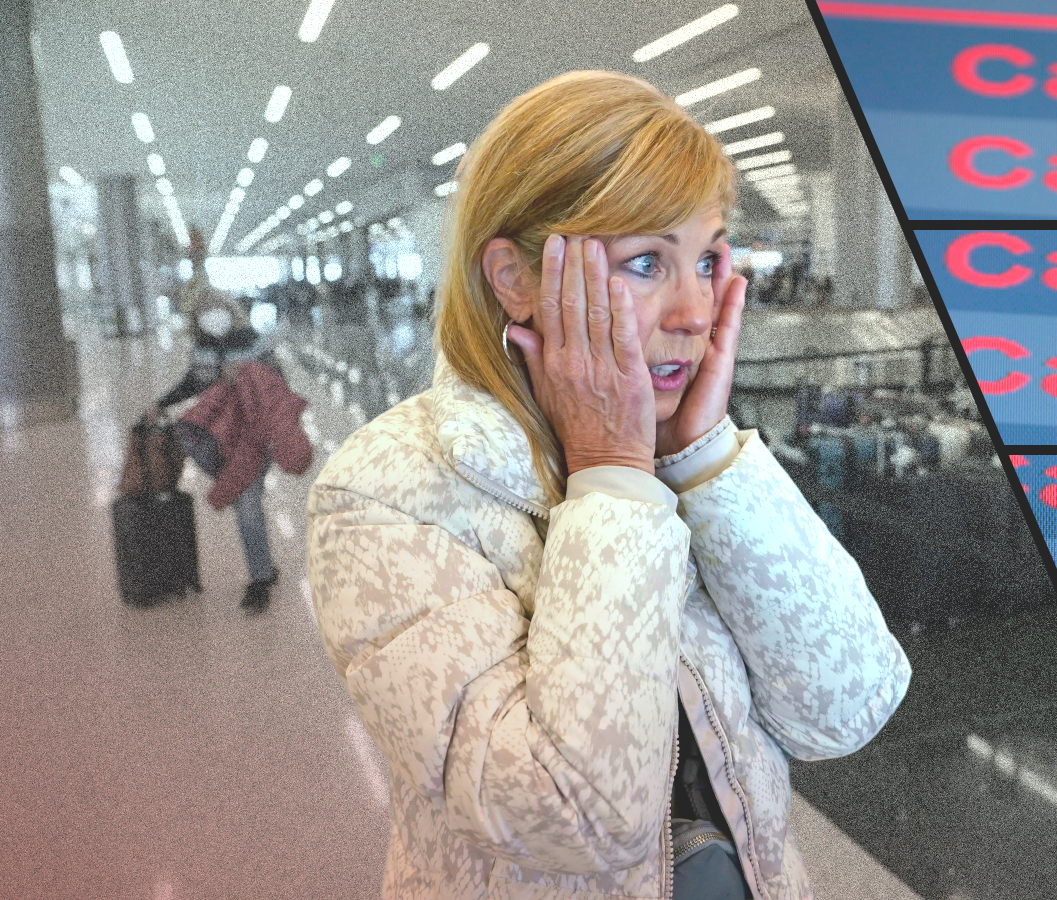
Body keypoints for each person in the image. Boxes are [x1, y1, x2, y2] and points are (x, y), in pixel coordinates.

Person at [306, 71, 911, 900]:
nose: (695, 311)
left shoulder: (690, 449)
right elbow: (576, 820)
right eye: (644, 263)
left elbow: (849, 707)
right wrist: (611, 479)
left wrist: (703, 459)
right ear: (514, 278)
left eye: (704, 259)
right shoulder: (386, 491)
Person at [149, 291, 285, 611]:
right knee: (181, 435)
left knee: (247, 505)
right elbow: (192, 383)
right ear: (197, 319)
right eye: (204, 310)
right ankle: (237, 490)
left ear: (230, 309)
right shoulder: (201, 348)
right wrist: (161, 403)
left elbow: (278, 382)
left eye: (217, 307)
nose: (212, 314)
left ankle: (261, 579)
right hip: (219, 433)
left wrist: (247, 379)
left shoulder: (252, 340)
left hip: (252, 435)